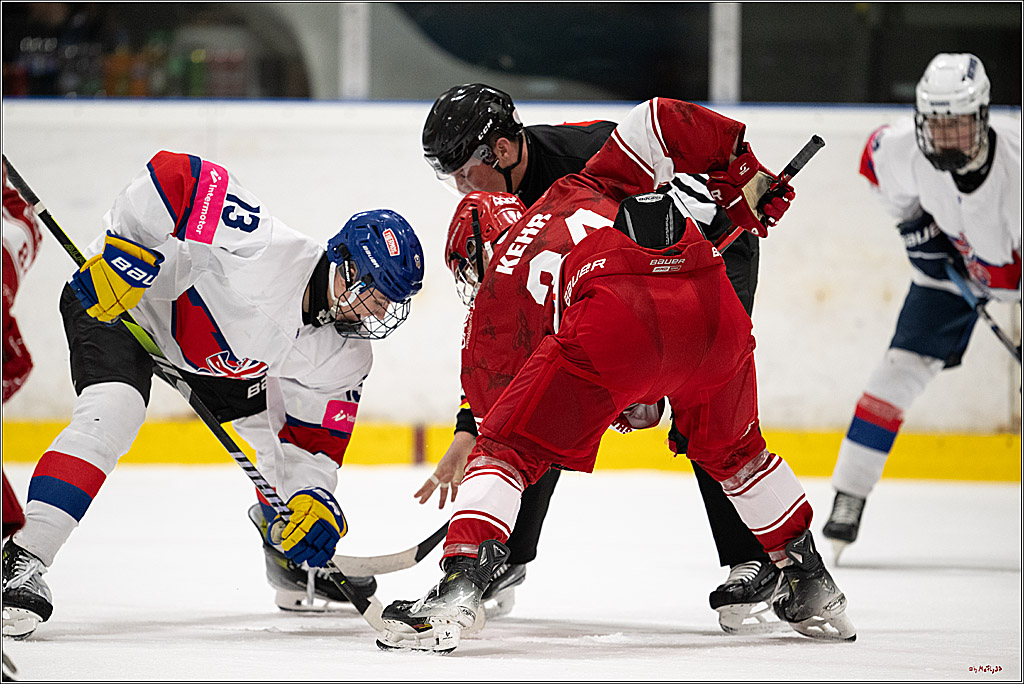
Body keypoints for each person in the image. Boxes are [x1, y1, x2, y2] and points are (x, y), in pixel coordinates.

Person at [377, 97, 855, 654]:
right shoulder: (590, 177)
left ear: (502, 151)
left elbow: (505, 404)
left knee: (510, 444)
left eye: (464, 173)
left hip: (674, 275)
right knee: (734, 448)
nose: (462, 187)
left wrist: (477, 429)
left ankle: (460, 585)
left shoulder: (507, 271)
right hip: (702, 292)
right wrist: (741, 166)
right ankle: (810, 578)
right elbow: (659, 118)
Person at [1, 150, 425, 638]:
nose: (377, 310)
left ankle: (289, 562)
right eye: (372, 290)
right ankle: (23, 558)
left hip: (217, 364)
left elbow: (314, 444)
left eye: (391, 302)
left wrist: (314, 498)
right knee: (112, 413)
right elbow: (177, 174)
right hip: (123, 303)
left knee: (279, 479)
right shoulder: (264, 245)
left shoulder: (346, 355)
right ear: (342, 262)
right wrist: (127, 250)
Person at [822, 53, 1021, 561]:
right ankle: (849, 496)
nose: (944, 136)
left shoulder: (1017, 171)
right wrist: (915, 229)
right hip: (950, 276)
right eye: (936, 123)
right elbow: (872, 165)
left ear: (982, 117)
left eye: (956, 125)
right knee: (895, 375)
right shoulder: (904, 150)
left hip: (1009, 272)